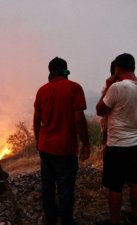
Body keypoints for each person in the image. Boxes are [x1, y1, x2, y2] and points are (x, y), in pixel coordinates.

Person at [96, 53, 137, 225]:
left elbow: (100, 110)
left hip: (119, 145)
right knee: (136, 180)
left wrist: (108, 86)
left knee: (115, 186)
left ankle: (115, 221)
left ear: (116, 69)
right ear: (133, 67)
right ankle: (134, 216)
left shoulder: (117, 88)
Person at [33, 57, 90, 225]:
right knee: (65, 187)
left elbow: (36, 120)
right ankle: (66, 221)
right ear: (66, 70)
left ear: (50, 71)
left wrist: (38, 141)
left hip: (45, 147)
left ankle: (50, 219)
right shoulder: (74, 88)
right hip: (65, 149)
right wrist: (86, 144)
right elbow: (79, 119)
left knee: (48, 185)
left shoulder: (41, 90)